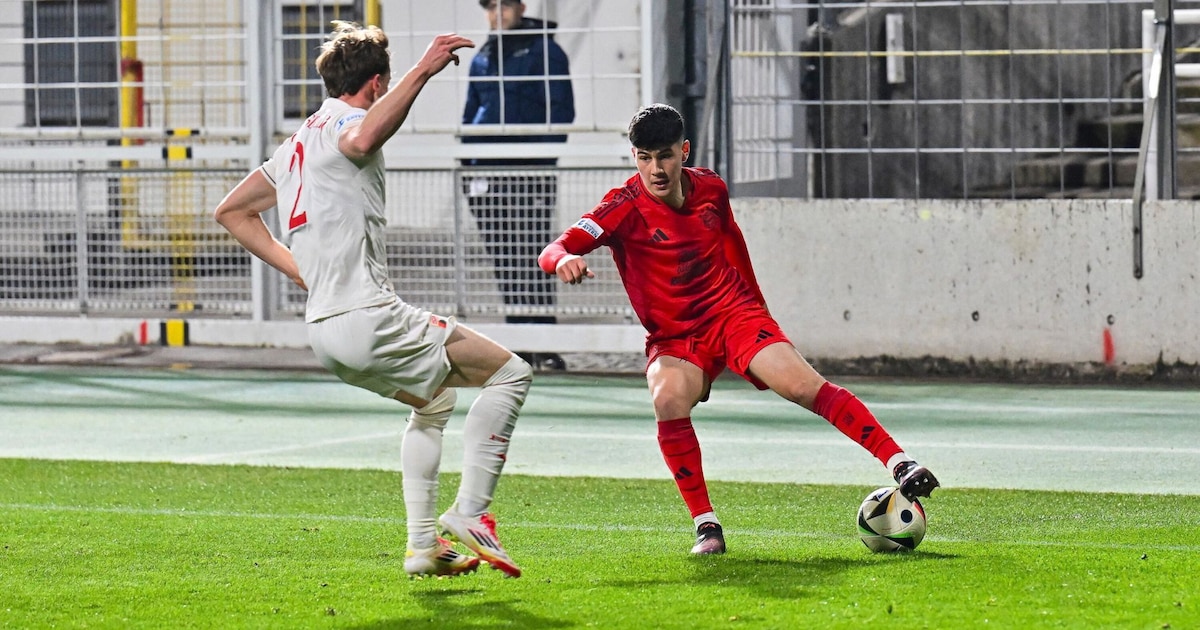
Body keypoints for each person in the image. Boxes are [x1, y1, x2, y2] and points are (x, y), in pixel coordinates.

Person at [537, 103, 940, 555]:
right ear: (634, 156)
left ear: (684, 151)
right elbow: (553, 248)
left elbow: (733, 241)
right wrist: (565, 259)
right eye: (644, 157)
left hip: (733, 315)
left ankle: (900, 462)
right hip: (676, 338)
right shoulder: (621, 207)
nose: (656, 168)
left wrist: (757, 309)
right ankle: (706, 525)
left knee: (802, 385)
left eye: (665, 155)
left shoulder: (711, 188)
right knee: (667, 398)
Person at [214, 22, 530, 579]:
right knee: (512, 374)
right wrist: (426, 70)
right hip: (367, 316)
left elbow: (231, 212)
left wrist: (301, 270)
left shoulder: (295, 146)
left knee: (432, 404)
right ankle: (473, 512)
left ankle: (421, 549)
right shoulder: (349, 124)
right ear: (376, 82)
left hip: (326, 333)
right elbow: (362, 139)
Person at [461, 0, 575, 371]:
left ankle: (543, 341)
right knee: (505, 259)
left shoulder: (545, 51)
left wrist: (537, 161)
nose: (497, 13)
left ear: (520, 7)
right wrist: (468, 166)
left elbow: (561, 111)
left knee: (534, 254)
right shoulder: (483, 56)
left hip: (528, 174)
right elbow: (472, 114)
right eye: (490, 6)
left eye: (504, 5)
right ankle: (522, 344)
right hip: (487, 175)